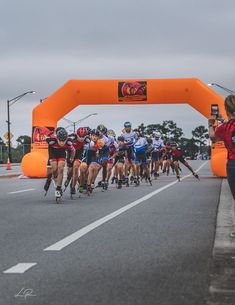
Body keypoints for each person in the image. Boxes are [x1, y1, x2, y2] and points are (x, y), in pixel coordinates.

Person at [208, 94, 235, 199]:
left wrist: (210, 124)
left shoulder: (224, 127)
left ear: (226, 109)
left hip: (233, 164)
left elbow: (213, 137)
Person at [45, 128, 75, 198]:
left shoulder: (69, 142)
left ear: (66, 139)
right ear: (57, 138)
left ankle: (58, 188)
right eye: (60, 141)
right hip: (52, 153)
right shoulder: (51, 141)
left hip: (61, 153)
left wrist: (72, 158)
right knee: (54, 169)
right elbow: (45, 137)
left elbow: (73, 150)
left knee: (61, 169)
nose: (62, 143)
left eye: (63, 141)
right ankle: (49, 179)